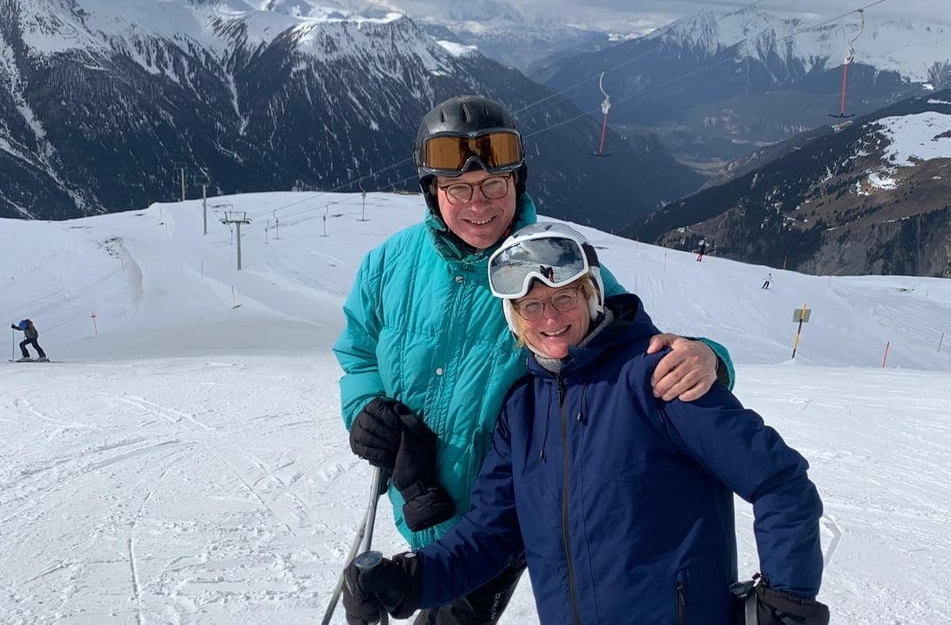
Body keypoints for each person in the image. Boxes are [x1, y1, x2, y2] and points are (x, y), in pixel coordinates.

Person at [333, 95, 735, 625]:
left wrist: (708, 357)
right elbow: (358, 351)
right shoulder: (388, 264)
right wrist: (362, 408)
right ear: (432, 192)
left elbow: (635, 348)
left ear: (516, 183)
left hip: (506, 511)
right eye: (458, 189)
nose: (478, 204)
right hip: (419, 499)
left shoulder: (552, 262)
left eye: (493, 186)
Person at [342, 223, 829, 625]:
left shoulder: (655, 377)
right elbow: (488, 537)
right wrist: (407, 581)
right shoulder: (521, 413)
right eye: (530, 306)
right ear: (514, 317)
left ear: (592, 294)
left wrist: (787, 605)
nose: (549, 317)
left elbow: (780, 481)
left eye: (564, 298)